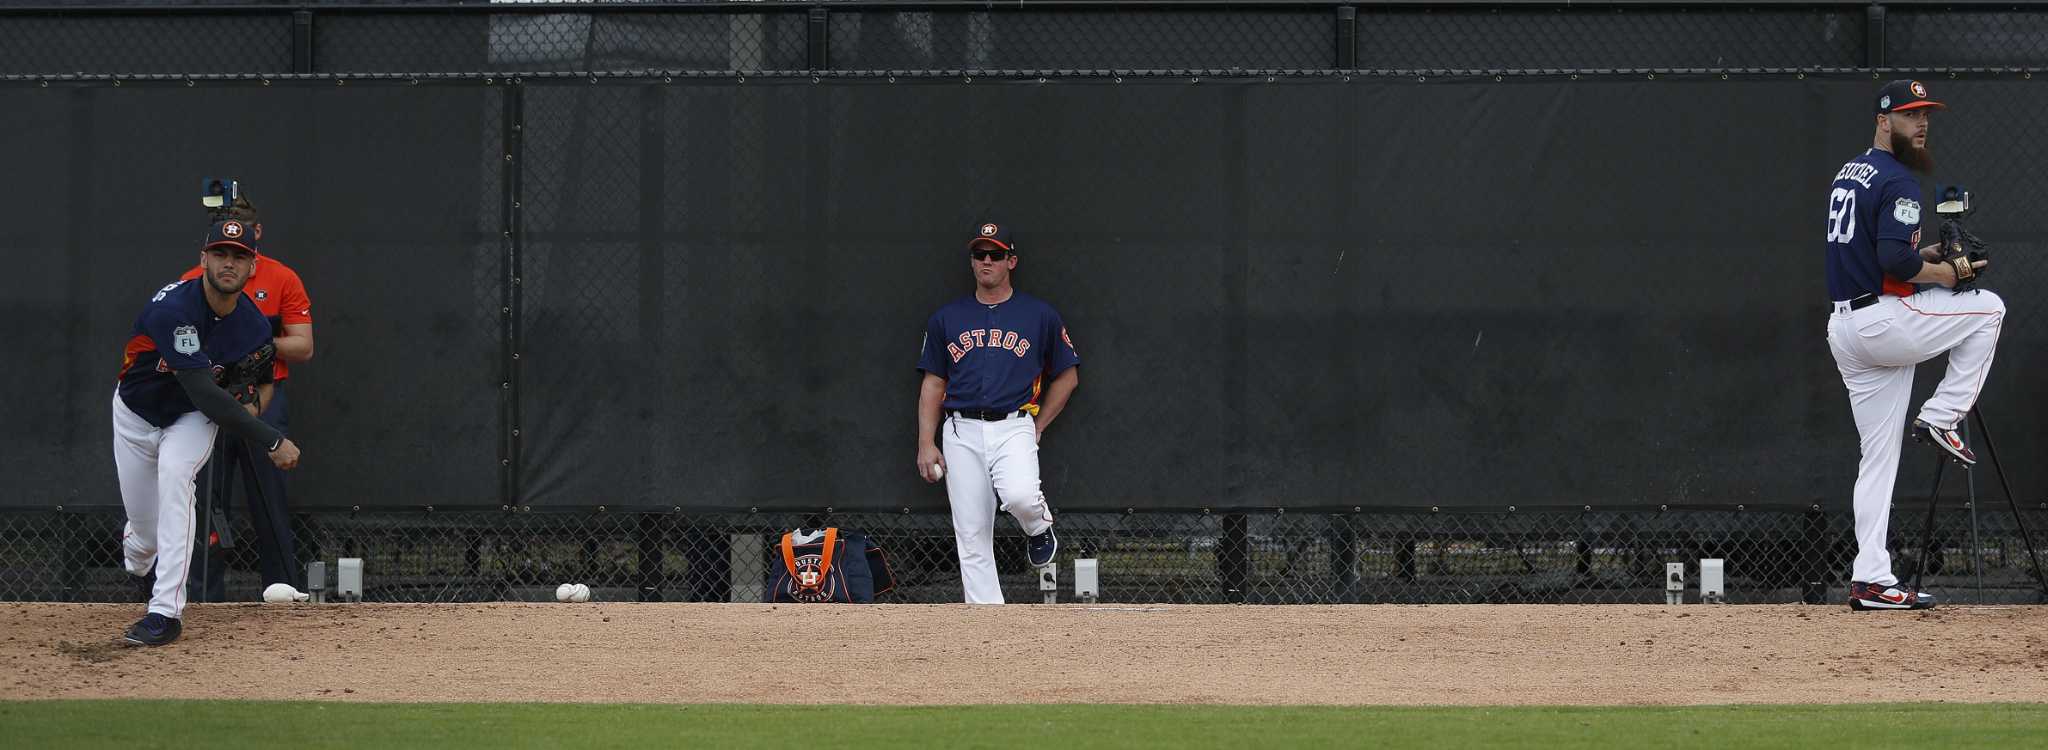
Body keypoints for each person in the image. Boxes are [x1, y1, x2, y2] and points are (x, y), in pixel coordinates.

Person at [1823, 80, 2001, 612]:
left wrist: (1925, 253)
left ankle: (1871, 579)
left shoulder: (1850, 172)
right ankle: (1943, 416)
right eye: (1909, 115)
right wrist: (1947, 272)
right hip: (1881, 322)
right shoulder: (1899, 179)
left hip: (1846, 328)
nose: (1921, 124)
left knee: (1877, 458)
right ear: (1884, 121)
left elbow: (1882, 251)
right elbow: (1897, 265)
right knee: (1989, 308)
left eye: (1925, 115)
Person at [114, 217, 303, 646]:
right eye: (220, 253)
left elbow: (258, 381)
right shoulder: (172, 309)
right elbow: (202, 390)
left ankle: (165, 613)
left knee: (178, 479)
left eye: (239, 256)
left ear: (253, 267)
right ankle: (142, 562)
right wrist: (271, 437)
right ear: (203, 259)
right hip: (137, 413)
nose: (229, 263)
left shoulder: (254, 327)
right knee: (143, 537)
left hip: (191, 419)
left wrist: (252, 401)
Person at [914, 221, 1080, 604]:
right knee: (971, 535)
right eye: (980, 254)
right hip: (960, 430)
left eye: (996, 254)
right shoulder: (946, 318)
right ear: (971, 262)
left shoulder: (1039, 315)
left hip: (1014, 423)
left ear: (1011, 261)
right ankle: (988, 628)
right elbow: (933, 384)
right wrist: (926, 441)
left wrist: (1038, 425)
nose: (987, 261)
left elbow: (1067, 376)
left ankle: (1038, 528)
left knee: (1021, 495)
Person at [180, 195, 314, 599]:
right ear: (208, 251)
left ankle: (282, 588)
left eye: (244, 237)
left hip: (264, 396)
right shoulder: (191, 281)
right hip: (210, 399)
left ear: (258, 236)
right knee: (205, 499)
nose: (230, 260)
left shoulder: (282, 278)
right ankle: (204, 595)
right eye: (221, 249)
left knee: (268, 496)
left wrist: (255, 345)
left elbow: (303, 346)